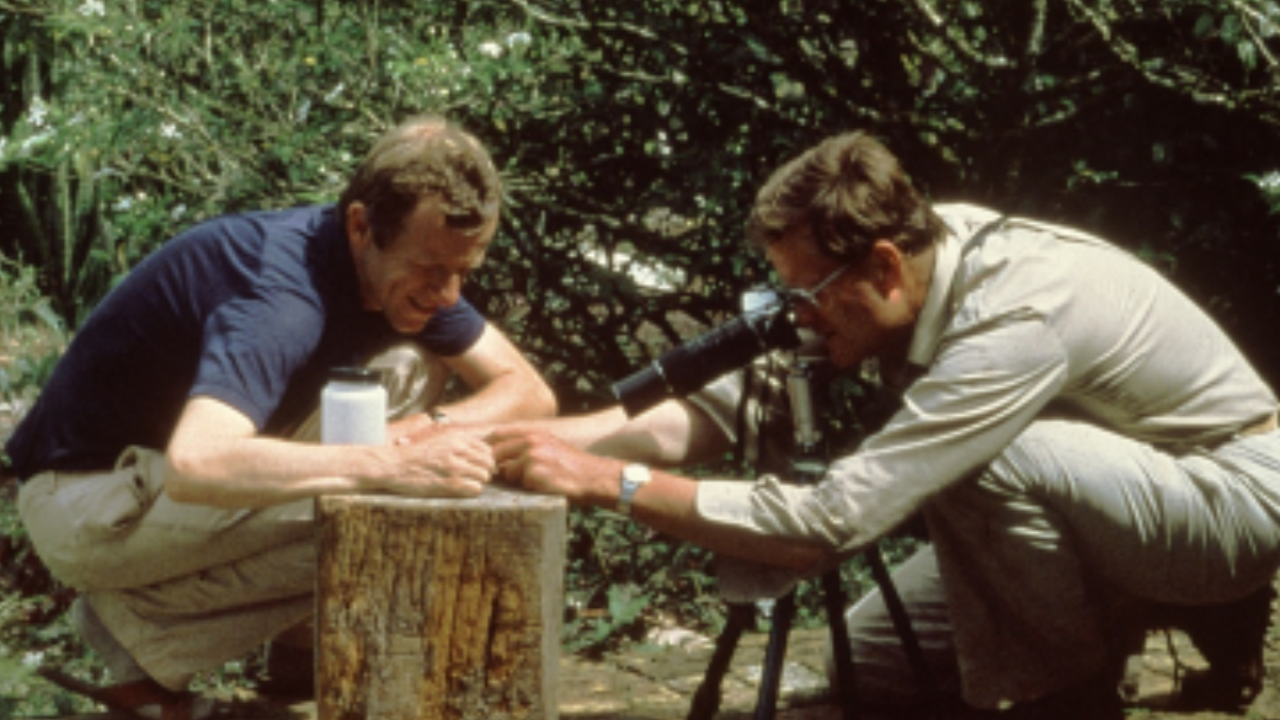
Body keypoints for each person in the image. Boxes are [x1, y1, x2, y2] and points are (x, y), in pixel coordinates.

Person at [488, 130, 1280, 718]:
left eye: (807, 295)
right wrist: (557, 442)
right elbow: (747, 396)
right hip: (1112, 488)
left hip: (1229, 500)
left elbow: (828, 524)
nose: (796, 315)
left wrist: (612, 484)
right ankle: (1113, 616)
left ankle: (1070, 700)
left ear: (884, 267)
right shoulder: (916, 256)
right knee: (866, 665)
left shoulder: (1015, 318)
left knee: (993, 462)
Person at [4, 115, 556, 717]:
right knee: (391, 510)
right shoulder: (281, 299)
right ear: (361, 225)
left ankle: (296, 653)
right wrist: (390, 464)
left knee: (410, 367)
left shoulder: (392, 265)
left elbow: (527, 391)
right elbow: (199, 464)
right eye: (431, 269)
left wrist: (427, 432)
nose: (448, 293)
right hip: (86, 503)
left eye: (463, 272)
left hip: (158, 476)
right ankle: (134, 629)